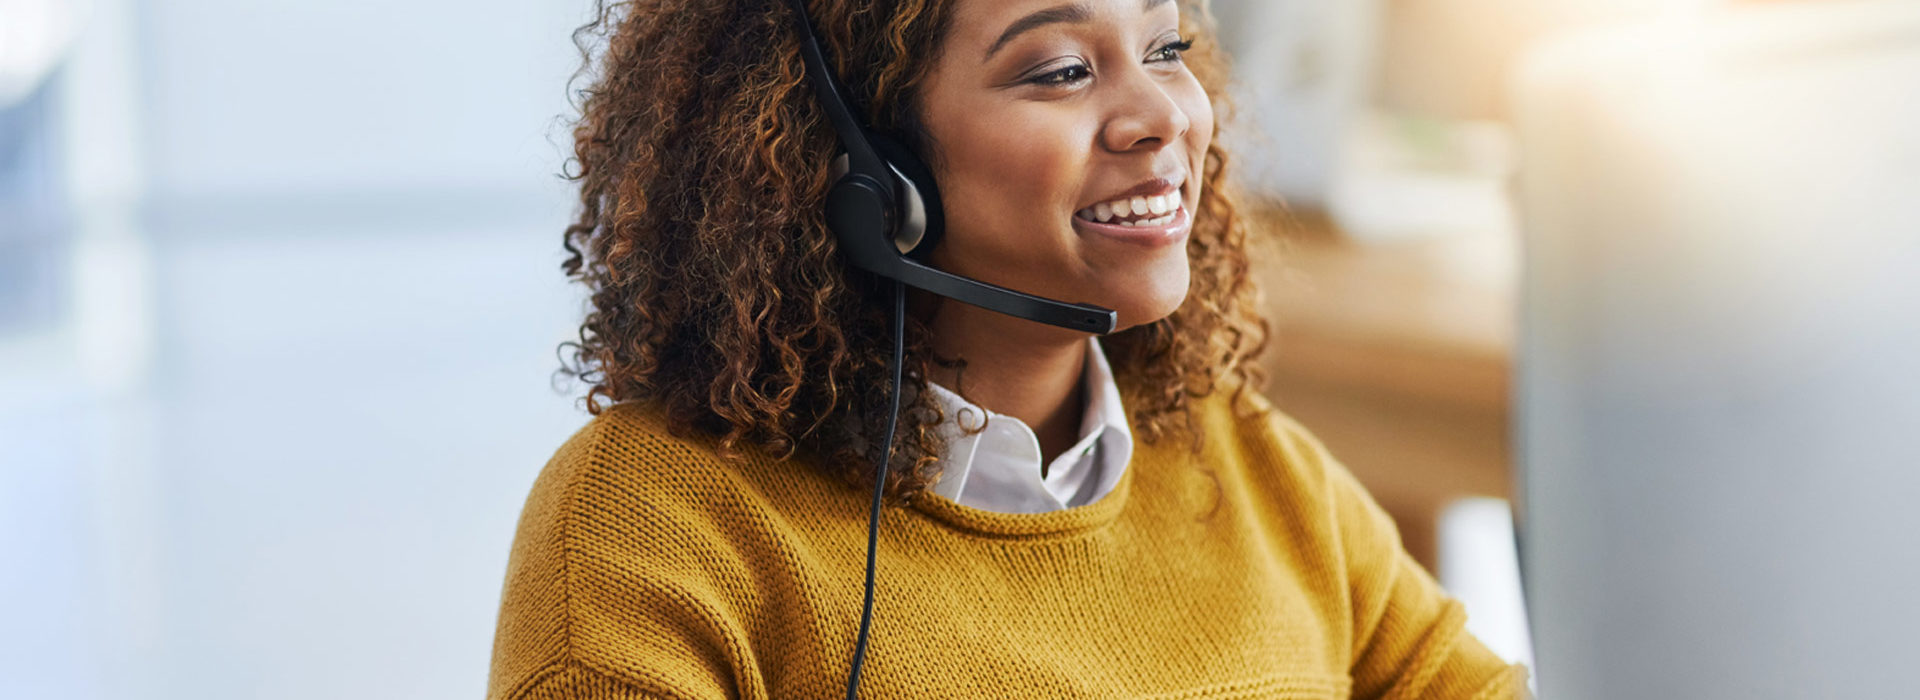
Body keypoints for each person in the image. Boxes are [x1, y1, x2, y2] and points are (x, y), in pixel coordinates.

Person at [486, 0, 1527, 697]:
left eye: (1166, 49)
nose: (1161, 116)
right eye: (1063, 70)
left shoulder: (1246, 463)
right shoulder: (647, 530)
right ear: (860, 166)